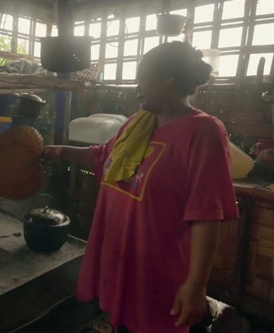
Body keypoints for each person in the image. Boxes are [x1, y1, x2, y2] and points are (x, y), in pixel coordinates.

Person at [41, 41, 238, 333]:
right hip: (124, 262)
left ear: (169, 76)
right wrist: (63, 152)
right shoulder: (137, 123)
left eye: (143, 78)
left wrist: (196, 285)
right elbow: (104, 155)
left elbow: (207, 213)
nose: (136, 87)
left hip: (160, 270)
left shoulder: (203, 131)